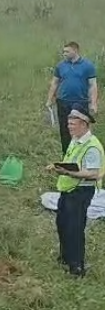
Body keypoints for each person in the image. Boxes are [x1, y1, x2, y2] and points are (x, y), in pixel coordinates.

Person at [47, 106, 102, 277]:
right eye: (68, 123)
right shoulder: (75, 139)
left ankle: (77, 267)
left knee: (75, 228)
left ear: (84, 124)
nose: (69, 127)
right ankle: (65, 257)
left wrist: (68, 172)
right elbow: (71, 161)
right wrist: (58, 167)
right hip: (67, 189)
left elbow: (93, 173)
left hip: (81, 192)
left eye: (73, 124)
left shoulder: (92, 146)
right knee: (62, 224)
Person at [47, 41, 98, 154]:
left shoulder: (88, 66)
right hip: (63, 102)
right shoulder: (61, 66)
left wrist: (93, 103)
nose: (64, 54)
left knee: (80, 128)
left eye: (67, 51)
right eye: (63, 52)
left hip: (80, 102)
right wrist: (50, 99)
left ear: (75, 51)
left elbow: (93, 85)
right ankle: (67, 155)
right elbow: (55, 82)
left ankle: (82, 153)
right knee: (65, 129)